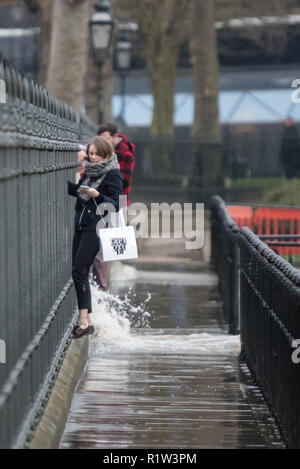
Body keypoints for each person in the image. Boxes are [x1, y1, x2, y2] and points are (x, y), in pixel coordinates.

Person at [68, 136, 123, 338]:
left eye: (96, 154)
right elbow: (77, 191)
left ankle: (83, 320)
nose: (93, 158)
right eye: (90, 154)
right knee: (78, 271)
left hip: (96, 227)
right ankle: (87, 320)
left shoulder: (113, 173)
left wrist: (97, 195)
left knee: (80, 270)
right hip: (81, 224)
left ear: (106, 154)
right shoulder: (89, 171)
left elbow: (116, 204)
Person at [92, 123, 136, 290]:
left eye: (106, 138)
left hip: (117, 202)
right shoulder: (108, 152)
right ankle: (103, 282)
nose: (103, 141)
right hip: (105, 200)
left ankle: (102, 285)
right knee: (104, 244)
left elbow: (124, 180)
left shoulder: (124, 153)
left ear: (115, 136)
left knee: (107, 244)